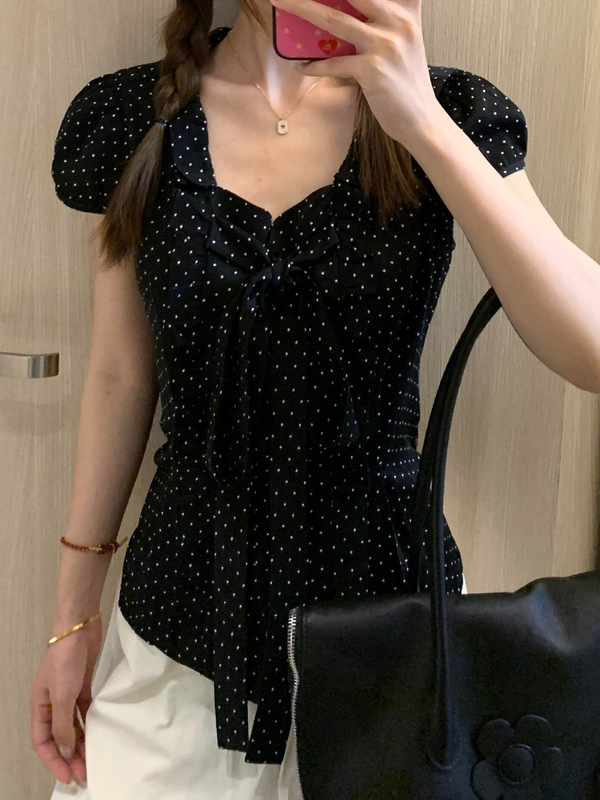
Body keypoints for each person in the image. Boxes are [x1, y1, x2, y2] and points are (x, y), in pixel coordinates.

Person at [34, 0, 590, 793]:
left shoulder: (448, 111)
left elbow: (590, 348)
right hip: (175, 636)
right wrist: (72, 619)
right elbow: (121, 376)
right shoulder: (139, 116)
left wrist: (420, 120)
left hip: (391, 650)